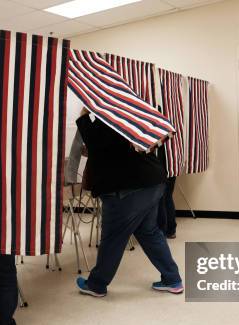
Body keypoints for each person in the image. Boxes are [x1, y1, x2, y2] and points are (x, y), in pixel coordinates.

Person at [75, 108, 183, 297]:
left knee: (112, 238)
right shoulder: (129, 116)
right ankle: (172, 279)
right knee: (149, 232)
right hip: (153, 182)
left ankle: (96, 284)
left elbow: (91, 138)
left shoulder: (105, 121)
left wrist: (85, 110)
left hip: (128, 190)